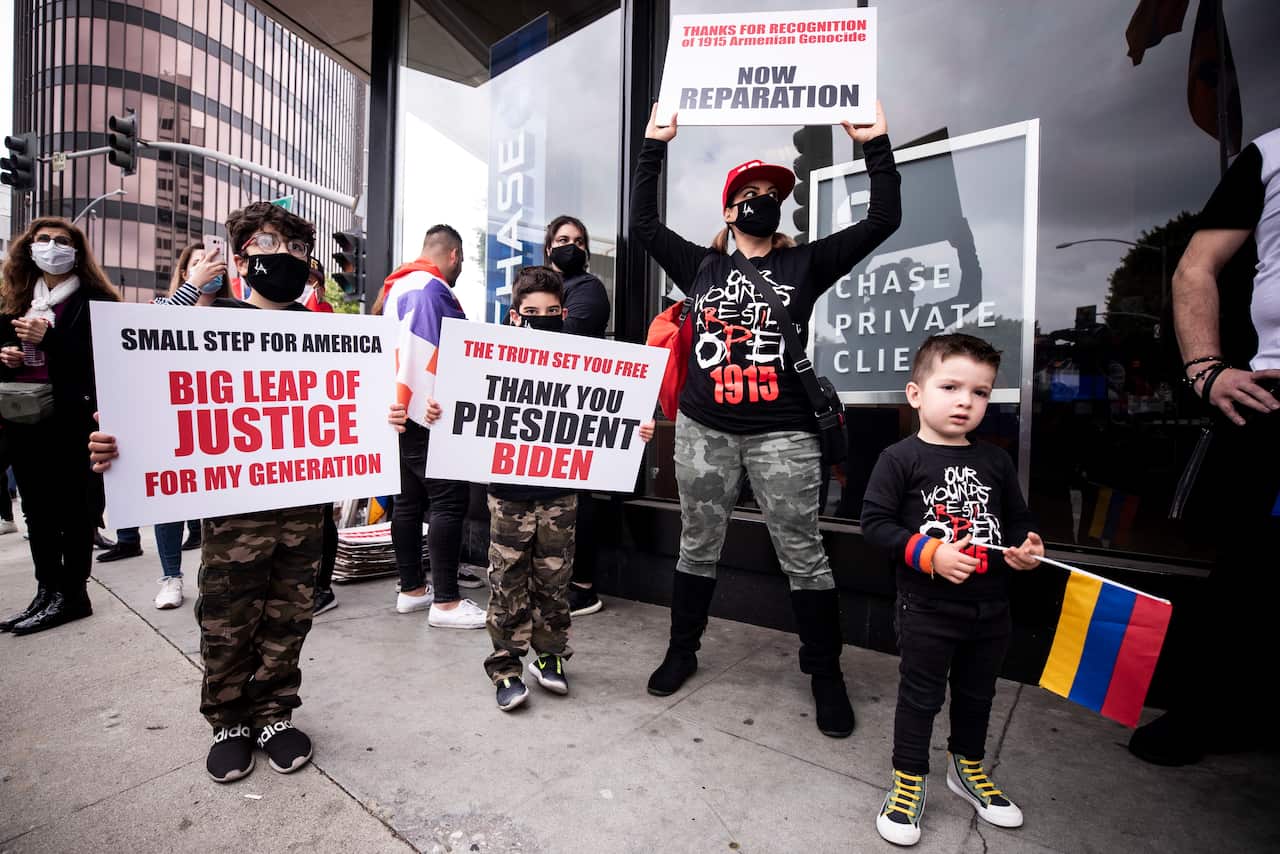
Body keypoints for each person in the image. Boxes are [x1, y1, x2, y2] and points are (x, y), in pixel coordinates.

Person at [630, 101, 900, 738]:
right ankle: (682, 650)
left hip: (784, 431)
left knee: (802, 555)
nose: (760, 201)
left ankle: (825, 674)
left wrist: (877, 145)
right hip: (704, 429)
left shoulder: (805, 264)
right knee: (698, 546)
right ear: (729, 210)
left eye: (771, 194)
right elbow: (642, 222)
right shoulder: (701, 265)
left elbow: (885, 219)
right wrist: (654, 144)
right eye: (748, 194)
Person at [89, 202, 330, 783]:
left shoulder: (325, 334)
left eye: (297, 248)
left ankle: (273, 711)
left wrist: (392, 415)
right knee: (228, 611)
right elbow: (147, 392)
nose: (287, 257)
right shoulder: (205, 323)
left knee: (289, 612)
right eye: (271, 243)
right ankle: (228, 718)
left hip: (301, 507)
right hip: (234, 512)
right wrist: (116, 445)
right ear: (243, 256)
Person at [1127, 128, 1280, 766]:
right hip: (1274, 392)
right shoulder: (1270, 153)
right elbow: (1196, 265)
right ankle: (1213, 712)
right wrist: (1206, 369)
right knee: (1253, 564)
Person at [860, 334, 1043, 846]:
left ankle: (966, 768)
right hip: (926, 606)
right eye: (951, 386)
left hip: (991, 606)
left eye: (981, 392)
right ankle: (908, 780)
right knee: (920, 697)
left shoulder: (997, 461)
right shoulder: (899, 458)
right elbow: (873, 524)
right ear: (916, 394)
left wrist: (1025, 547)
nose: (966, 400)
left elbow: (1016, 520)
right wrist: (930, 553)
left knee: (977, 694)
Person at [0, 217, 121, 635]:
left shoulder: (95, 300)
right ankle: (46, 589)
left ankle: (73, 594)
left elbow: (101, 360)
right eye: (44, 240)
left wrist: (48, 340)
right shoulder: (15, 299)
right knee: (36, 510)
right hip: (25, 416)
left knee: (72, 510)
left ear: (77, 251)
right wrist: (9, 355)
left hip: (72, 421)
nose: (52, 247)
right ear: (29, 249)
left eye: (62, 241)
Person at [97, 242, 228, 609]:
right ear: (185, 273)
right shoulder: (160, 308)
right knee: (168, 507)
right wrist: (192, 290)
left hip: (218, 423)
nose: (208, 268)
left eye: (214, 263)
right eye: (198, 263)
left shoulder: (235, 314)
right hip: (172, 423)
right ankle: (171, 577)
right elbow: (146, 332)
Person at [382, 224, 486, 628]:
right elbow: (427, 349)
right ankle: (445, 602)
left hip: (400, 411)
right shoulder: (432, 289)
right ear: (455, 255)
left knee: (408, 503)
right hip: (428, 413)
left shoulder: (397, 288)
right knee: (448, 502)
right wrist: (426, 405)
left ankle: (412, 589)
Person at [542, 215, 613, 618]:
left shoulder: (588, 288)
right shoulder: (536, 284)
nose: (572, 245)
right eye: (563, 238)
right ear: (549, 245)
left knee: (579, 496)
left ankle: (583, 586)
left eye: (580, 240)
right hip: (538, 404)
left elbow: (565, 341)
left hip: (576, 403)